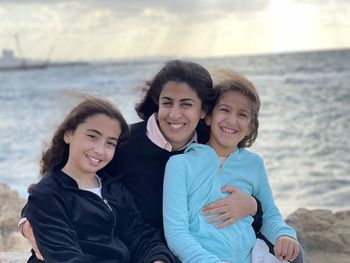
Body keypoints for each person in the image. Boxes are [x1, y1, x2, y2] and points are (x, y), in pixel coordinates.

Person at [21, 60, 262, 260]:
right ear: (156, 103)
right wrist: (27, 223)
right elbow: (65, 183)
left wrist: (253, 206)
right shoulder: (121, 144)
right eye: (167, 103)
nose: (175, 114)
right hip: (147, 253)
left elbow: (255, 195)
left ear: (203, 111)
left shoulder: (213, 146)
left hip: (195, 252)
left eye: (186, 105)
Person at [163, 70, 300, 262]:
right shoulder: (180, 165)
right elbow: (176, 232)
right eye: (224, 110)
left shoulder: (254, 164)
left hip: (250, 256)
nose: (232, 120)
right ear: (208, 116)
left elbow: (270, 215)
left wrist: (283, 235)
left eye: (242, 114)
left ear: (251, 126)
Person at [24, 96, 176, 263]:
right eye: (92, 137)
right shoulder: (49, 194)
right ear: (68, 134)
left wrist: (158, 259)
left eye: (110, 143)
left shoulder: (112, 187)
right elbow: (67, 257)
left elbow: (140, 234)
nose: (100, 150)